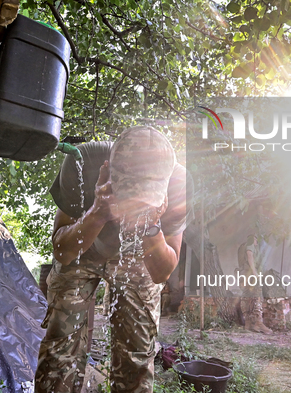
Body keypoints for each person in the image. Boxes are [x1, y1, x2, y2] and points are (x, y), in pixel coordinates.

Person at [35, 126, 191, 393]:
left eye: (143, 197)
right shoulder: (82, 162)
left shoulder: (179, 185)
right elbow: (63, 251)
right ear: (107, 171)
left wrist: (151, 225)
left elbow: (161, 273)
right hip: (85, 241)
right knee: (60, 346)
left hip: (139, 250)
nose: (133, 204)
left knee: (137, 354)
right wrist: (98, 212)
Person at [237, 234, 273, 334]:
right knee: (257, 297)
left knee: (247, 297)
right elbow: (249, 254)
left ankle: (248, 324)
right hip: (250, 274)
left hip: (244, 274)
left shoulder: (243, 246)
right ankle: (258, 323)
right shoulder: (250, 242)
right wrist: (254, 272)